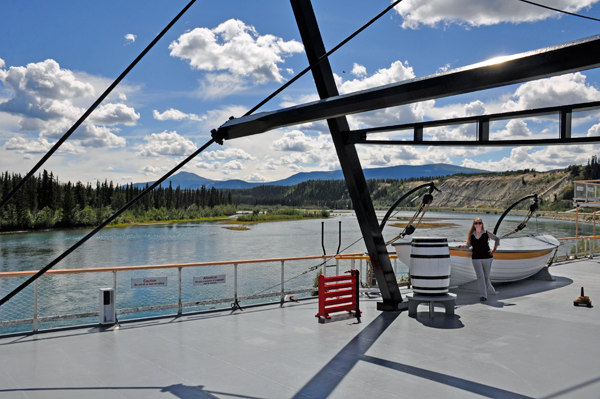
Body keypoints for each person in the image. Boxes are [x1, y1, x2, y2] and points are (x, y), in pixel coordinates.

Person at [457, 217, 500, 301]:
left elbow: (497, 239)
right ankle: (484, 295)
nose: (478, 225)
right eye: (476, 223)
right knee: (480, 276)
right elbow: (468, 245)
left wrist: (494, 249)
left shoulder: (486, 233)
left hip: (487, 257)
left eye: (479, 223)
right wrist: (461, 246)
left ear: (482, 224)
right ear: (473, 225)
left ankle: (491, 291)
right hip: (476, 258)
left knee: (486, 276)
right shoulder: (471, 234)